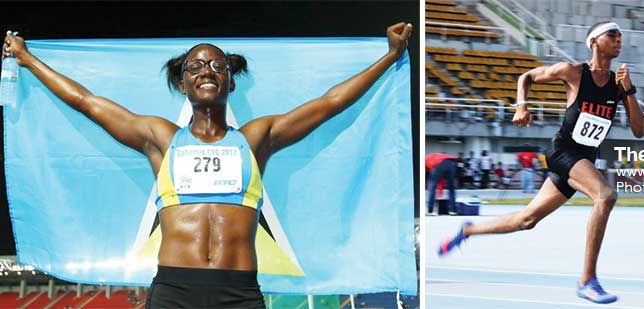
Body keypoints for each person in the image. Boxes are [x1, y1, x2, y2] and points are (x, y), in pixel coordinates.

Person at [3, 23, 412, 308]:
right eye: (195, 66)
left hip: (239, 293)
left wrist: (390, 56)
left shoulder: (256, 138)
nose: (207, 71)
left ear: (230, 81)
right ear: (182, 84)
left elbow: (330, 103)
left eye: (218, 65)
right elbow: (86, 102)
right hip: (173, 291)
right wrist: (27, 60)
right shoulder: (161, 138)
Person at [436, 21, 644, 304]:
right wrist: (521, 105)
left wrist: (629, 90)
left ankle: (468, 231)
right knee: (605, 196)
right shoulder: (573, 72)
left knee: (527, 220)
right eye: (612, 35)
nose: (619, 39)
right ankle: (587, 280)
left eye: (621, 36)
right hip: (563, 151)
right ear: (594, 41)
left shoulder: (618, 85)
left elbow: (639, 130)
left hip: (584, 159)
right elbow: (527, 77)